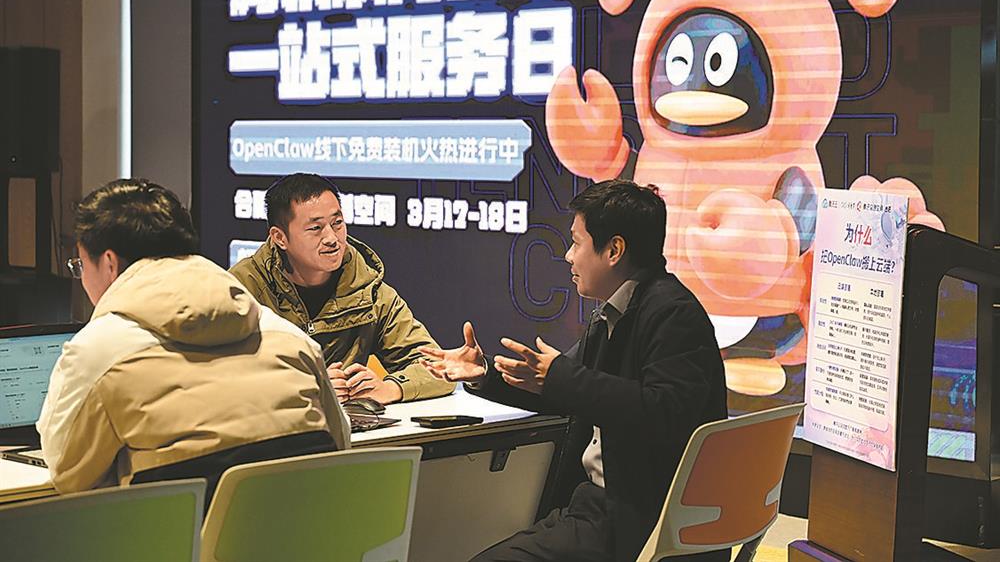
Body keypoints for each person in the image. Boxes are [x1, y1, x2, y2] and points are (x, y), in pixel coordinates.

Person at [420, 180, 729, 561]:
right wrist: (485, 374)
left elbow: (664, 411)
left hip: (638, 517)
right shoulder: (617, 311)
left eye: (577, 243)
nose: (568, 256)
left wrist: (560, 377)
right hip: (605, 507)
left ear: (614, 250)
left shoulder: (673, 313)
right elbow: (562, 389)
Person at [38, 179, 349, 497]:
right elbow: (339, 442)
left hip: (176, 530)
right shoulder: (286, 335)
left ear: (109, 263)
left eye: (81, 266)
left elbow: (68, 474)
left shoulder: (98, 352)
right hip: (307, 527)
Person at [230, 173, 454, 404]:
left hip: (349, 424)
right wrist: (302, 389)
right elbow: (218, 378)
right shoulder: (241, 289)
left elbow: (439, 368)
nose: (331, 238)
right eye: (315, 228)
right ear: (280, 238)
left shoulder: (367, 290)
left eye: (337, 223)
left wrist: (391, 388)